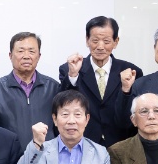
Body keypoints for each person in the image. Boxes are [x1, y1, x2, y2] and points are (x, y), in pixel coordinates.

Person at [58, 15, 143, 148]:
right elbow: (61, 105)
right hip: (83, 144)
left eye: (106, 41)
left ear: (116, 42)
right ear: (87, 40)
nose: (100, 46)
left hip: (120, 145)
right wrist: (73, 75)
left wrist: (126, 90)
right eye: (95, 40)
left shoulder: (131, 72)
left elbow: (133, 114)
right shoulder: (69, 69)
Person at [0, 31, 62, 140]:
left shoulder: (53, 88)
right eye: (20, 51)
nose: (26, 56)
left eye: (31, 51)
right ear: (10, 55)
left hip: (46, 150)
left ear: (39, 56)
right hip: (9, 151)